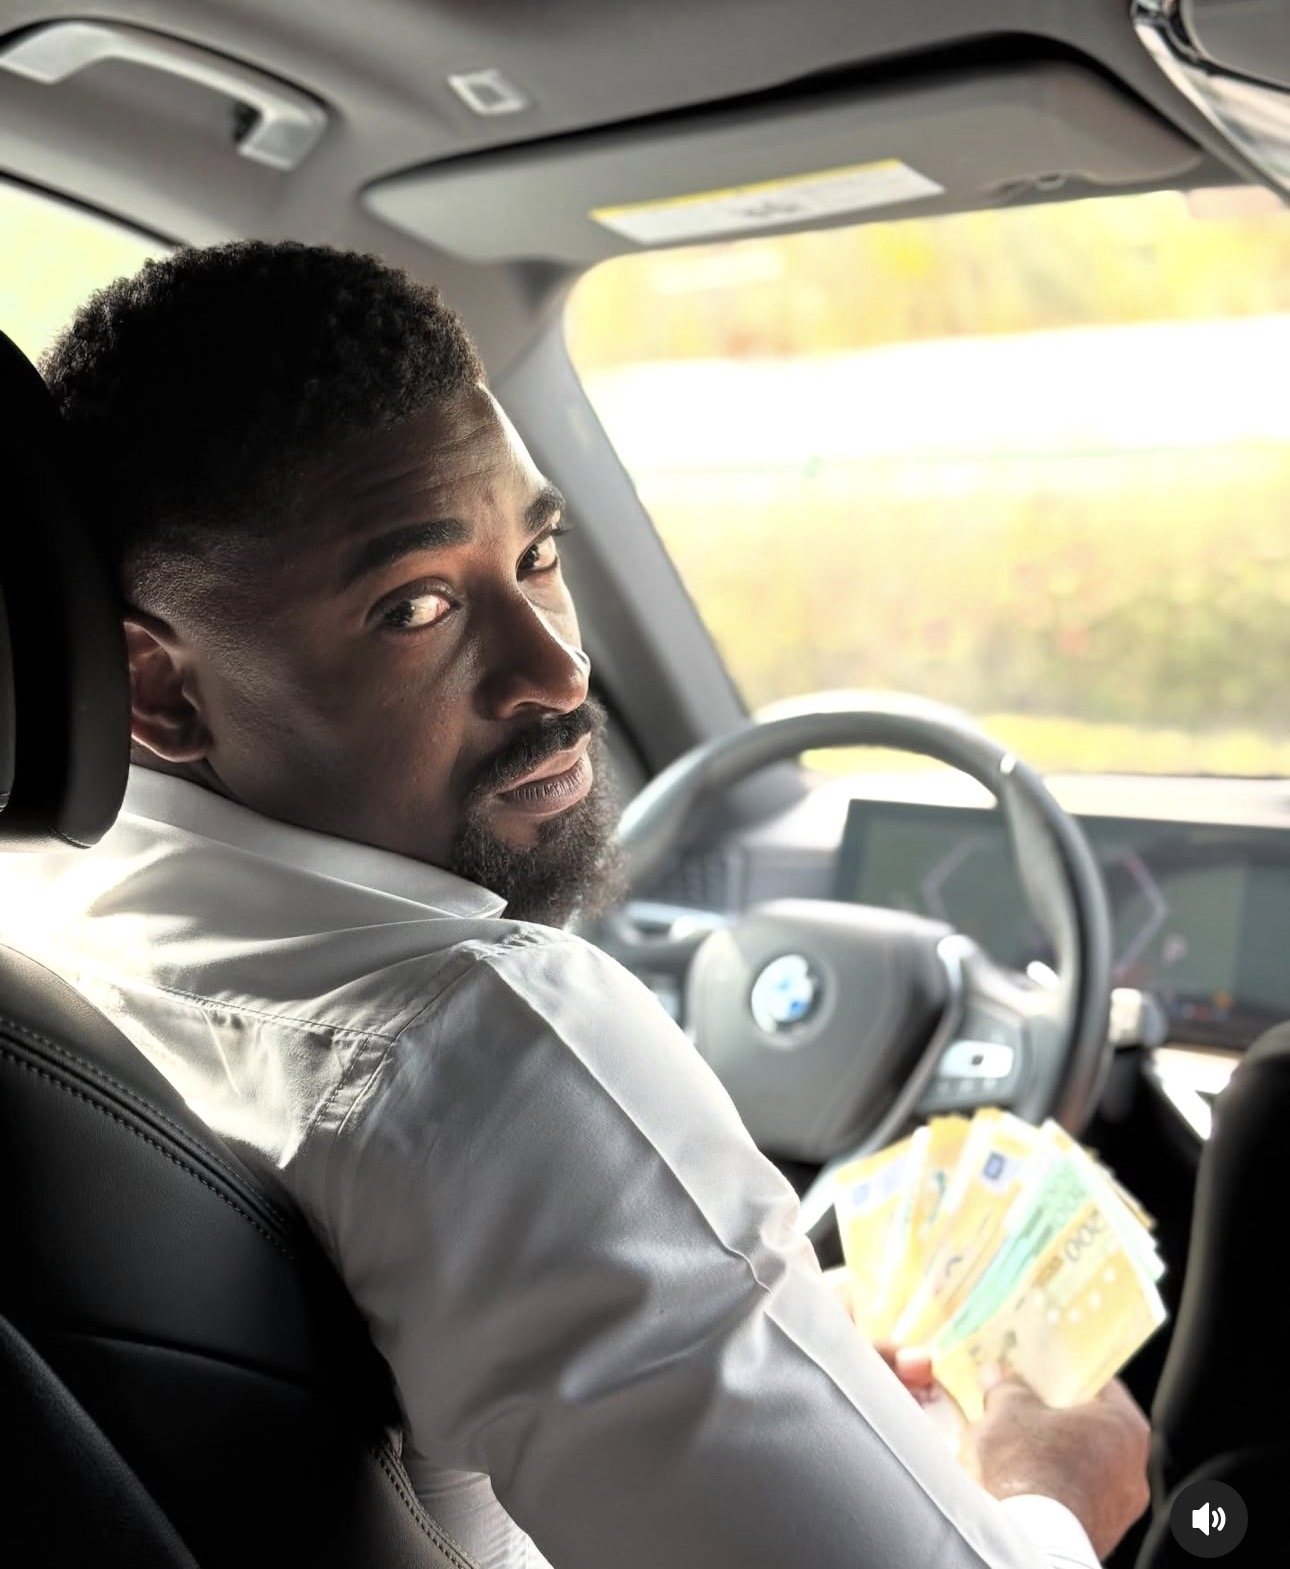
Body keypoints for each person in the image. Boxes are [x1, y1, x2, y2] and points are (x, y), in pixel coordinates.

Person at [5, 241, 1149, 1569]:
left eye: (538, 554)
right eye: (416, 605)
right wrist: (1049, 1485)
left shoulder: (49, 941)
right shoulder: (484, 1045)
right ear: (160, 692)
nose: (556, 670)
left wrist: (769, 1346)